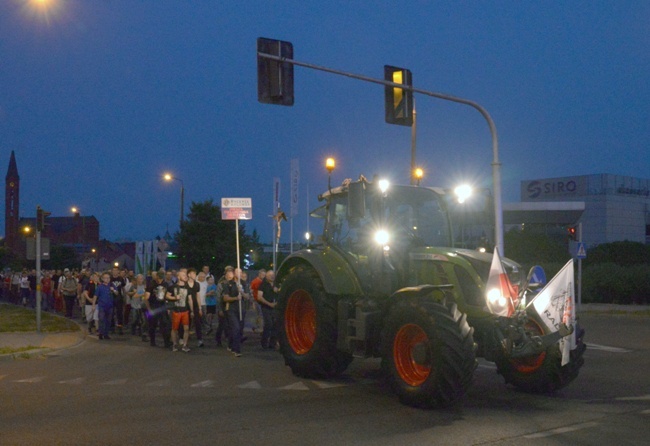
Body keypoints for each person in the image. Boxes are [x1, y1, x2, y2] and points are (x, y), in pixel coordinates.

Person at [167, 268, 194, 352]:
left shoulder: (187, 287)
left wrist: (192, 311)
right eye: (183, 275)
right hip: (176, 310)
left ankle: (184, 345)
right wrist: (174, 297)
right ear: (178, 277)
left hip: (185, 311)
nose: (185, 277)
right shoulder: (172, 287)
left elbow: (190, 299)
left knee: (186, 328)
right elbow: (167, 296)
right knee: (174, 329)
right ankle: (175, 344)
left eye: (185, 275)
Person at [144, 269, 172, 348]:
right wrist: (149, 308)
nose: (160, 279)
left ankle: (166, 342)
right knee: (152, 325)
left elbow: (167, 296)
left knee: (165, 325)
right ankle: (152, 341)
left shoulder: (166, 284)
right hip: (153, 306)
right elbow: (146, 297)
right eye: (159, 277)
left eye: (161, 277)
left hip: (162, 307)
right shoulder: (151, 285)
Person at [221, 266, 243, 357]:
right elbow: (225, 298)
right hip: (231, 309)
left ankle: (231, 344)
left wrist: (242, 292)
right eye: (238, 272)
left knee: (238, 329)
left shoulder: (243, 283)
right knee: (236, 328)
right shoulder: (227, 284)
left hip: (241, 309)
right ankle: (236, 349)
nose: (240, 274)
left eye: (241, 272)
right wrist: (235, 298)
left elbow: (248, 297)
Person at [257, 270, 279, 350]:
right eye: (270, 275)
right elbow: (259, 297)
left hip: (275, 307)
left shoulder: (276, 285)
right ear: (266, 276)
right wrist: (269, 304)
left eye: (273, 275)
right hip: (266, 307)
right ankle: (264, 343)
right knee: (268, 324)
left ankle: (272, 344)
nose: (272, 276)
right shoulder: (263, 285)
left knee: (275, 325)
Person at [94, 272, 114, 340]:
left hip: (110, 306)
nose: (107, 279)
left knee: (108, 320)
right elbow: (95, 296)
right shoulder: (100, 287)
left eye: (108, 278)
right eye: (105, 278)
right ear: (102, 279)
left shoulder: (111, 286)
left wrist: (113, 290)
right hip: (102, 305)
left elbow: (117, 293)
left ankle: (106, 334)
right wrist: (93, 305)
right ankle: (101, 333)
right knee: (101, 319)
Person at [186, 268, 203, 348]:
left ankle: (199, 339)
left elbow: (198, 296)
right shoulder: (185, 284)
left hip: (195, 305)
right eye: (193, 274)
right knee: (187, 323)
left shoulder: (197, 284)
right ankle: (185, 338)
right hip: (186, 306)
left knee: (198, 322)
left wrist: (200, 307)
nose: (195, 275)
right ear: (189, 274)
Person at [129, 274, 147, 341]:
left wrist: (140, 293)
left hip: (142, 305)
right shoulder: (134, 286)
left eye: (141, 279)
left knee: (143, 320)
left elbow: (145, 294)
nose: (140, 280)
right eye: (139, 279)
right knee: (134, 319)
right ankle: (133, 328)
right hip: (135, 304)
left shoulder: (145, 286)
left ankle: (141, 332)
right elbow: (129, 293)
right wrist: (134, 293)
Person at [109, 267, 126, 334]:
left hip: (119, 298)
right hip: (111, 297)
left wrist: (124, 297)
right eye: (114, 270)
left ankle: (120, 327)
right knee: (112, 313)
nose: (115, 272)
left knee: (119, 313)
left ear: (118, 271)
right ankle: (112, 327)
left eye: (116, 270)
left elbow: (123, 288)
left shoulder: (121, 279)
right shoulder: (110, 279)